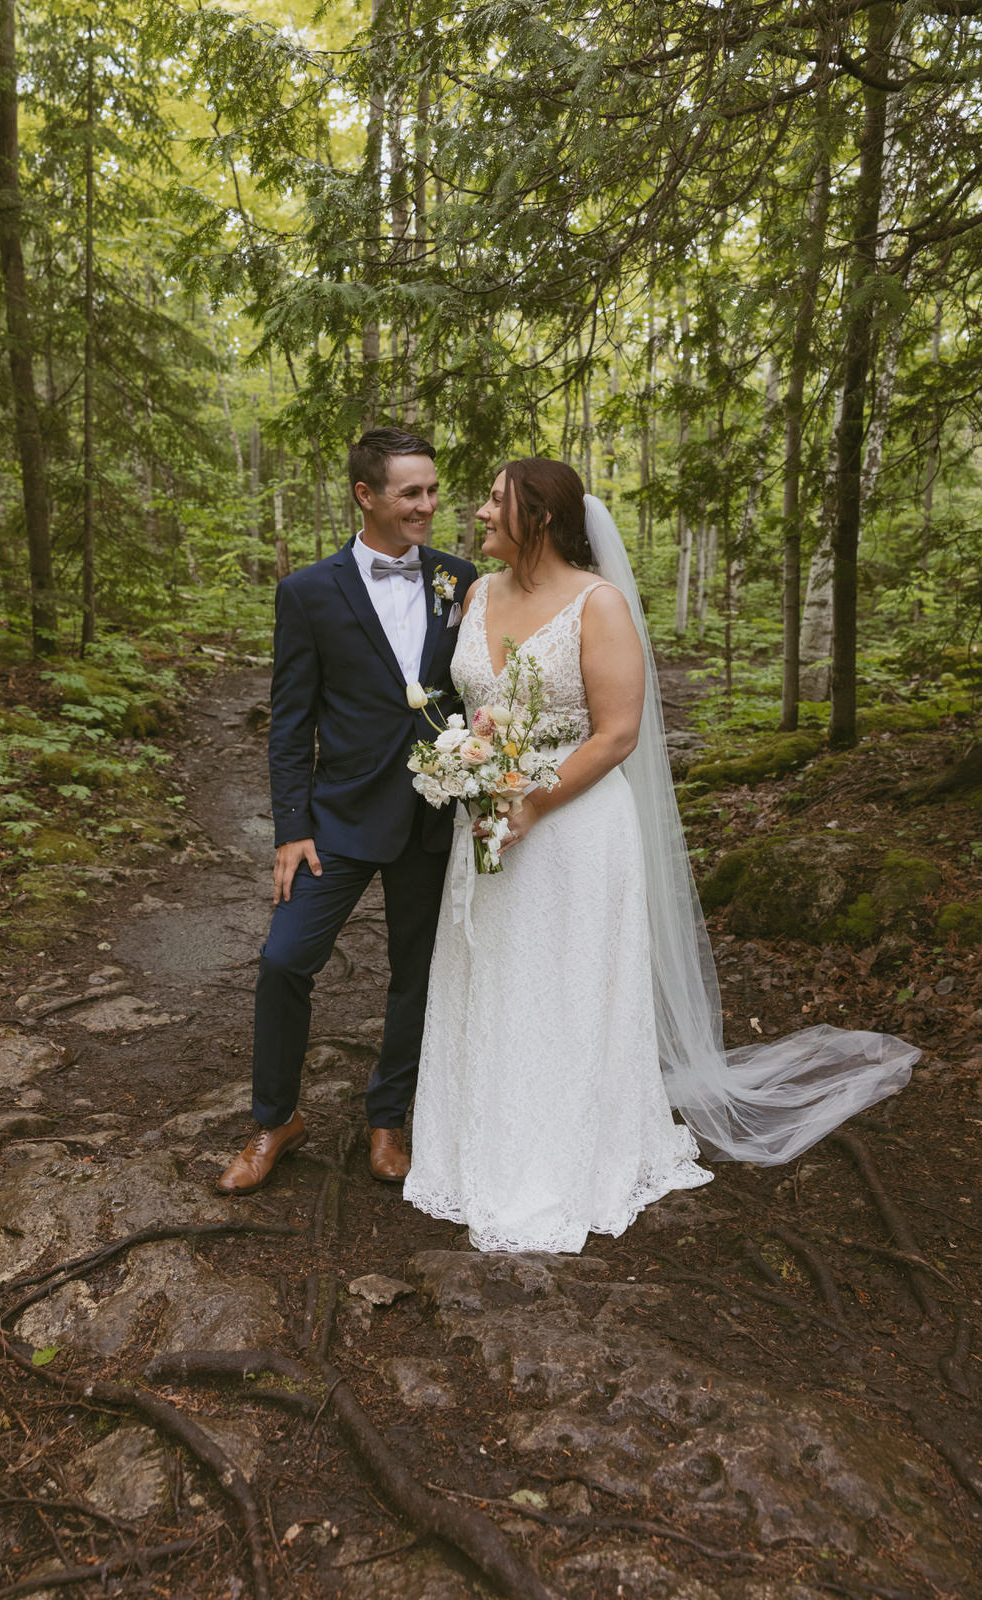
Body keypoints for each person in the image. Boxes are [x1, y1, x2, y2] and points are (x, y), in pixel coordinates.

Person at [404, 459, 918, 1253]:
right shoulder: (476, 594)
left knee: (568, 980)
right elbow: (474, 710)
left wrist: (533, 802)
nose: (475, 513)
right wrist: (469, 773)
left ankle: (571, 1155)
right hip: (487, 822)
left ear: (535, 516)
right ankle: (478, 1143)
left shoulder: (596, 604)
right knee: (494, 974)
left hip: (571, 824)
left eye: (494, 501)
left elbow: (616, 733)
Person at [216, 428, 477, 1196]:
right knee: (283, 960)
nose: (427, 505)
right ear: (366, 495)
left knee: (416, 973)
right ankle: (275, 1120)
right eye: (410, 493)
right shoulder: (306, 592)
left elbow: (477, 690)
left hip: (434, 814)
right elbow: (291, 722)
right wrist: (291, 828)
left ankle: (388, 1118)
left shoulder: (460, 581)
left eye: (432, 490)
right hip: (337, 817)